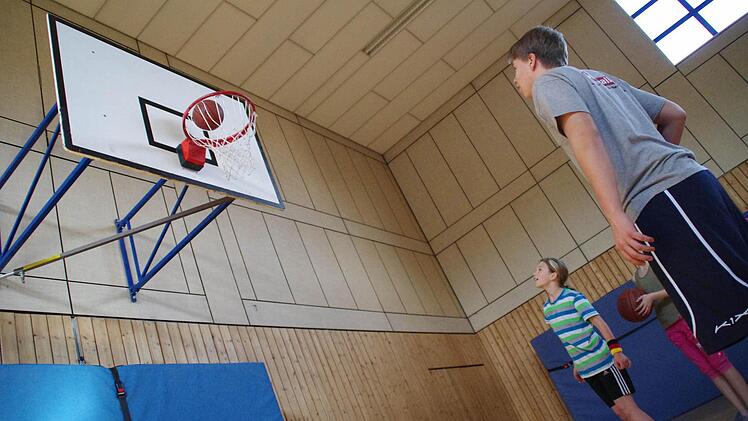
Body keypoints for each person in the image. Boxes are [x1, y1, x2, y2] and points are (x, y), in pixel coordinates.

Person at [509, 26, 748, 354]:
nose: (515, 78)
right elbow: (674, 114)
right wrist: (658, 159)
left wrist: (617, 215)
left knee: (736, 309)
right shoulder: (599, 79)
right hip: (689, 184)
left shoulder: (548, 84)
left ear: (532, 60)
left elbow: (585, 135)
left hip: (664, 200)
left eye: (516, 68)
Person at [537, 257, 652, 420]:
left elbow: (601, 324)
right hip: (586, 368)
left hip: (604, 361)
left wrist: (617, 352)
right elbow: (566, 338)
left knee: (630, 410)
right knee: (620, 412)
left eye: (540, 269)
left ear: (553, 275)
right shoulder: (547, 309)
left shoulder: (574, 297)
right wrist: (576, 363)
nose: (534, 273)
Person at [635, 263, 748, 420]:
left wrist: (652, 296)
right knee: (709, 371)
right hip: (670, 328)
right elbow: (647, 302)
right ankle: (742, 411)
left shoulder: (657, 265)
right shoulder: (635, 278)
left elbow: (677, 287)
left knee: (721, 363)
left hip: (686, 319)